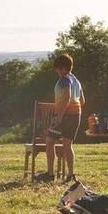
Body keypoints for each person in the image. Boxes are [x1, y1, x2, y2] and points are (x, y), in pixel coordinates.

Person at [38, 53, 84, 182]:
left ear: (63, 68)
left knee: (49, 141)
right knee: (67, 144)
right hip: (76, 114)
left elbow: (67, 96)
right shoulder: (77, 80)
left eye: (57, 69)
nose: (57, 72)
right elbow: (83, 100)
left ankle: (50, 174)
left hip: (64, 116)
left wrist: (59, 116)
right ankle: (70, 174)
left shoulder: (64, 79)